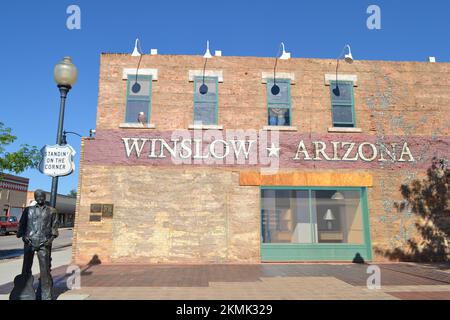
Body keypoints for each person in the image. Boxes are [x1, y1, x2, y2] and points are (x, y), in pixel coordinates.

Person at [16, 189, 59, 300]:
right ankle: (24, 293)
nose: (40, 198)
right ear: (35, 198)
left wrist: (50, 240)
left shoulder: (52, 211)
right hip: (29, 242)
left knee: (45, 272)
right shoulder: (28, 210)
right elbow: (22, 224)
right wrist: (23, 236)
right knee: (26, 269)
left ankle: (46, 296)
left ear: (45, 197)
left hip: (44, 243)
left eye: (42, 196)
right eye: (37, 196)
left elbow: (54, 228)